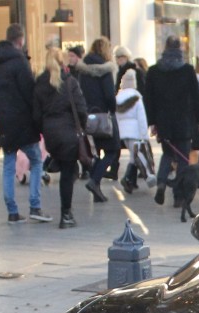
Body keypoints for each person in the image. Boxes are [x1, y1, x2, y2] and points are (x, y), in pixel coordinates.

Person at [0, 24, 48, 223]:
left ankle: (12, 211)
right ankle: (35, 205)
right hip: (23, 121)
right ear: (20, 40)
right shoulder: (19, 61)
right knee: (36, 160)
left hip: (4, 122)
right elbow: (29, 92)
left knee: (8, 166)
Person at [33, 48, 89, 229]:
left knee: (65, 163)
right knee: (67, 173)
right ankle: (66, 214)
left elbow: (35, 114)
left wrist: (43, 129)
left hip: (50, 133)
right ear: (61, 61)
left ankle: (54, 162)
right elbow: (81, 108)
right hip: (68, 132)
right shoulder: (70, 81)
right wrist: (82, 126)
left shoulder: (39, 84)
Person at [146, 36, 199, 206]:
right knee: (183, 158)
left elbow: (149, 99)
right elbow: (196, 97)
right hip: (184, 121)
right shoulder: (187, 70)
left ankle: (162, 182)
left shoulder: (154, 71)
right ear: (180, 49)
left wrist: (153, 122)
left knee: (167, 154)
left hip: (164, 121)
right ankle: (179, 195)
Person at [77, 37, 120, 202]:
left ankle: (97, 189)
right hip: (104, 116)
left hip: (90, 115)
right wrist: (113, 110)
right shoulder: (105, 69)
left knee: (99, 150)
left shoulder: (83, 70)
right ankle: (94, 181)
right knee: (112, 150)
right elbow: (109, 95)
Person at [116, 68, 153, 192]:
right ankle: (127, 178)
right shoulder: (137, 97)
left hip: (123, 132)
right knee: (136, 156)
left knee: (133, 155)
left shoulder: (118, 97)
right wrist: (144, 134)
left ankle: (129, 181)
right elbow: (141, 118)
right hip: (135, 131)